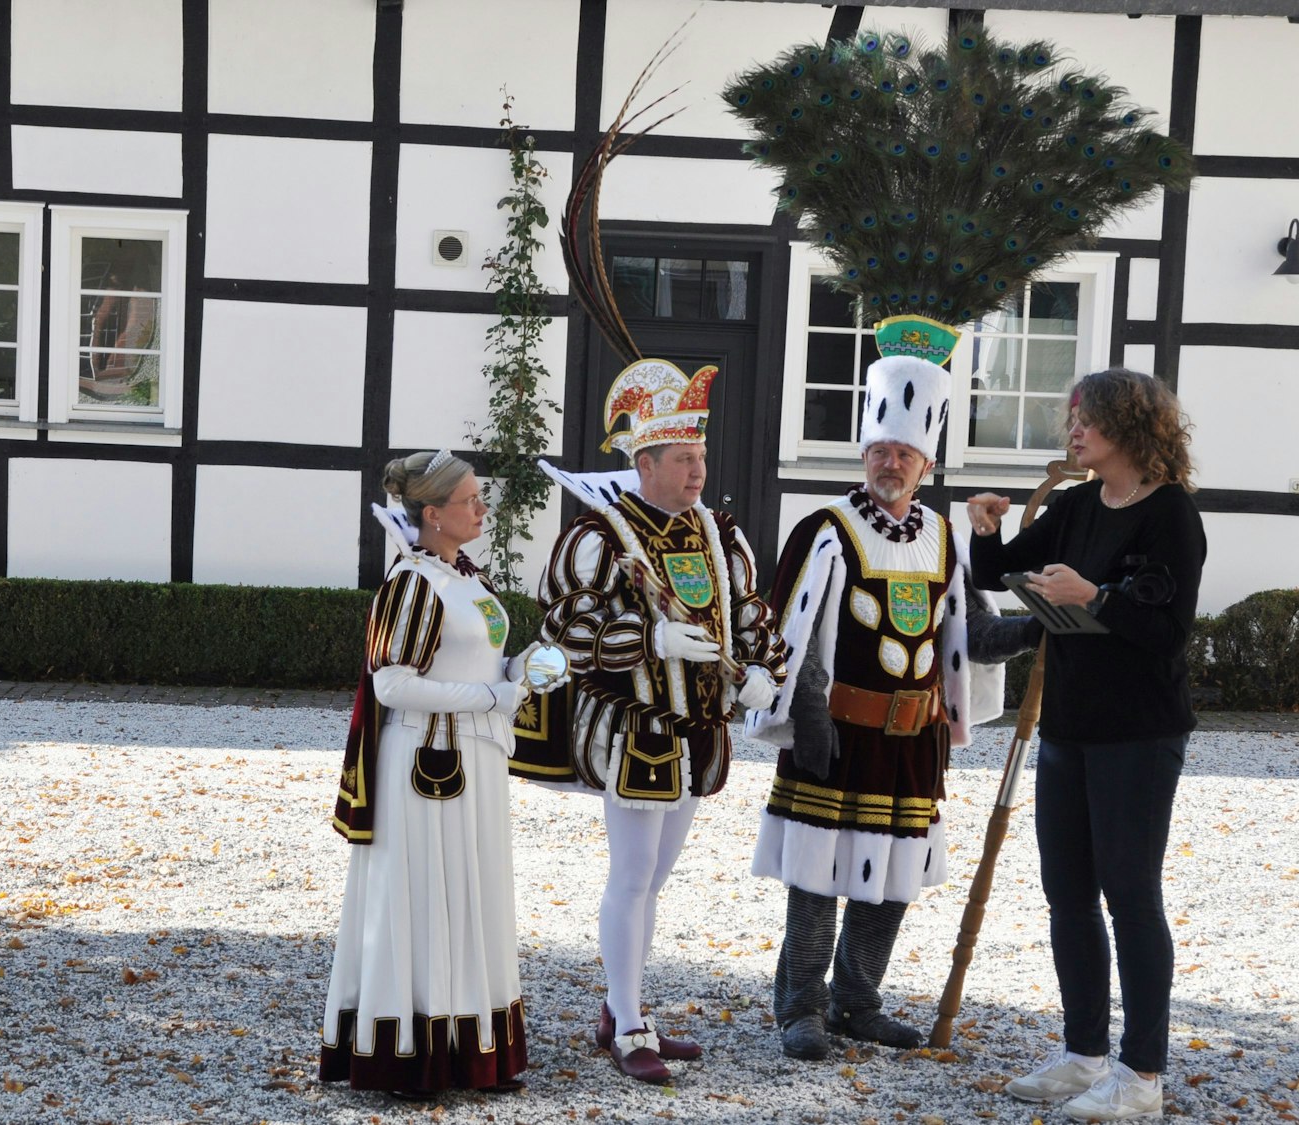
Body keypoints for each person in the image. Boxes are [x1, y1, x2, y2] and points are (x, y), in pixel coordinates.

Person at [748, 354, 1039, 1060]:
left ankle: (857, 1000)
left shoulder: (943, 539)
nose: (890, 462)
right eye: (880, 450)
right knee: (818, 875)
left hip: (914, 740)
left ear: (926, 463)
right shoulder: (825, 527)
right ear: (864, 452)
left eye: (904, 452)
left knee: (891, 880)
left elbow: (971, 635)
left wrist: (1039, 627)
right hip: (836, 731)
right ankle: (800, 1007)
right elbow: (792, 629)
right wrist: (808, 718)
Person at [519, 359, 787, 1085]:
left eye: (701, 456)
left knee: (656, 877)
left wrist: (764, 670)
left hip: (701, 729)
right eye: (683, 458)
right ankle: (630, 1021)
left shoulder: (717, 532)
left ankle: (621, 1002)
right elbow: (565, 629)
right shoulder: (600, 536)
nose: (699, 469)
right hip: (635, 726)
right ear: (645, 462)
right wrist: (649, 639)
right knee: (633, 874)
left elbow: (750, 613)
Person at [965, 367, 1205, 1122]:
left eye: (1085, 420)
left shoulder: (1171, 514)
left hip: (1139, 732)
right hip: (1067, 726)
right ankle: (1083, 1054)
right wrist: (986, 527)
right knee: (1067, 892)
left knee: (1131, 894)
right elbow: (994, 572)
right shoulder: (1074, 506)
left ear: (1129, 428)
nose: (1073, 433)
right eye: (1072, 419)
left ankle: (1142, 1075)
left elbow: (1168, 630)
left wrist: (1094, 596)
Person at [321, 450, 561, 1100]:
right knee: (424, 896)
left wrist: (521, 668)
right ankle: (413, 1062)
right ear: (433, 514)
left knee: (473, 895)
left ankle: (470, 1055)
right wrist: (490, 698)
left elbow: (480, 663)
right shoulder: (412, 583)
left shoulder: (467, 578)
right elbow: (393, 682)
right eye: (470, 500)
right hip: (428, 765)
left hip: (476, 761)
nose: (482, 509)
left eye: (481, 497)